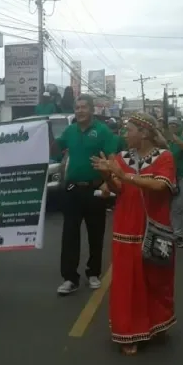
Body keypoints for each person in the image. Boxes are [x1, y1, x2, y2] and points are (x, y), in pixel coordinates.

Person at [91, 112, 177, 355]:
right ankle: (129, 333)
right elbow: (118, 189)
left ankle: (157, 324)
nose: (124, 134)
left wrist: (123, 175)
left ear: (144, 133)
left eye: (129, 130)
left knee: (157, 280)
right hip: (126, 228)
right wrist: (107, 177)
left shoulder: (164, 157)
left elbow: (160, 185)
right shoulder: (122, 157)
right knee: (127, 282)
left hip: (155, 228)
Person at [53, 95, 116, 295]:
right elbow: (55, 148)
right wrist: (40, 135)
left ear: (91, 110)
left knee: (96, 233)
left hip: (95, 189)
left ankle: (93, 273)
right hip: (72, 190)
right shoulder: (70, 130)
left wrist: (107, 182)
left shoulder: (102, 131)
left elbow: (112, 159)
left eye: (83, 107)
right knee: (69, 235)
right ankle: (69, 278)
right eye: (77, 107)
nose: (79, 111)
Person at [165, 118, 183, 247]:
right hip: (165, 178)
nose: (173, 127)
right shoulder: (162, 141)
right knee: (164, 207)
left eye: (175, 125)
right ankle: (164, 233)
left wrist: (173, 137)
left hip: (181, 177)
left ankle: (178, 234)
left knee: (178, 207)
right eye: (170, 125)